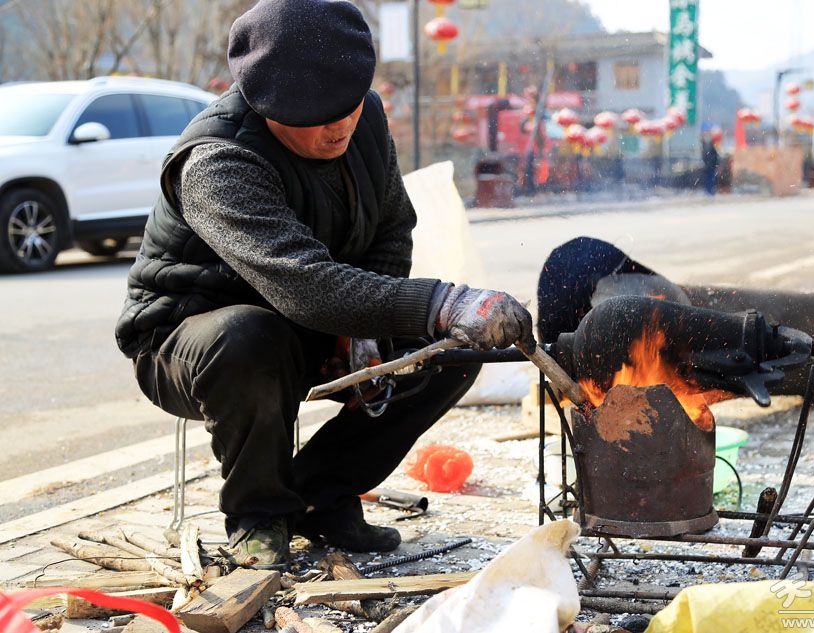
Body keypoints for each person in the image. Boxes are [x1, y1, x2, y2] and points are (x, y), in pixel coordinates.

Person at [114, 0, 535, 569]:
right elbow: (305, 286)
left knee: (453, 351)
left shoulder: (364, 118)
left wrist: (368, 334)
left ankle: (323, 495)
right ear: (265, 105)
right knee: (250, 335)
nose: (339, 126)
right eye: (314, 116)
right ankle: (259, 515)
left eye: (348, 106)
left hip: (313, 319)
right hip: (193, 339)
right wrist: (443, 301)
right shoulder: (218, 160)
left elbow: (392, 228)